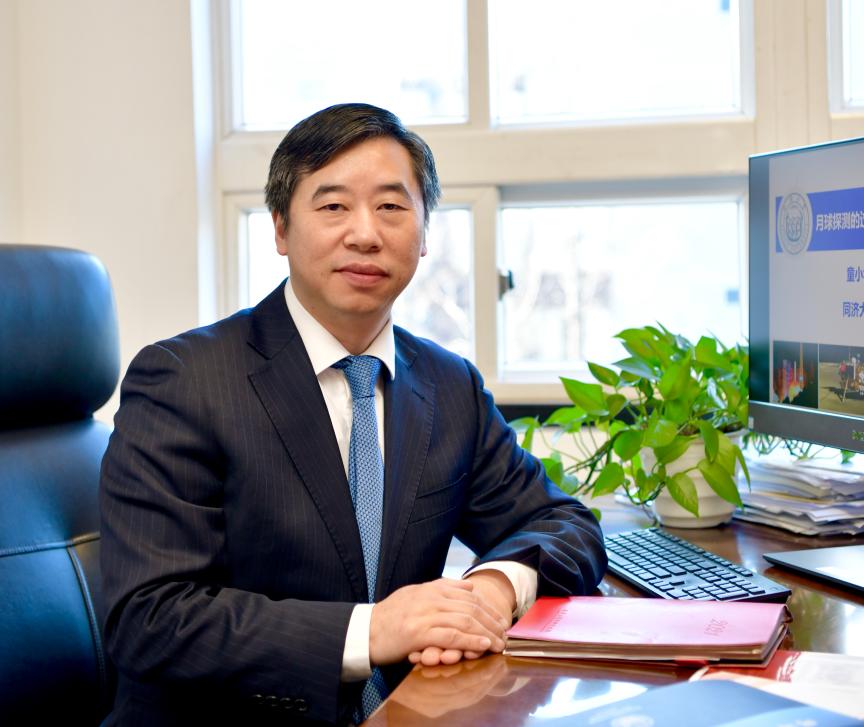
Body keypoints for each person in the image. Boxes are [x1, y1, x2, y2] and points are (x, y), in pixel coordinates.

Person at [99, 103, 606, 726]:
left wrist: (492, 590)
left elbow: (564, 524)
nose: (365, 234)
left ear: (424, 234)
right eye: (334, 206)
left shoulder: (448, 385)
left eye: (391, 206)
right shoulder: (185, 381)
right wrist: (374, 630)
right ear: (281, 229)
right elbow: (149, 618)